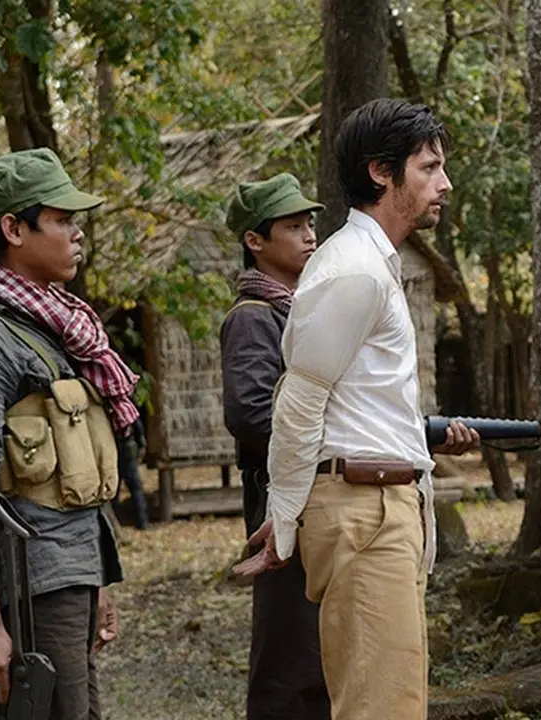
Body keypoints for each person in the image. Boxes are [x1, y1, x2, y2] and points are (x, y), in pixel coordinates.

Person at [233, 99, 479, 719]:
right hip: (363, 511)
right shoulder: (354, 271)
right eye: (429, 167)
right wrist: (284, 515)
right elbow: (300, 398)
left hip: (381, 506)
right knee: (379, 708)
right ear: (381, 173)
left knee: (393, 700)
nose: (444, 184)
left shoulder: (369, 265)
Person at [0, 148, 130, 718]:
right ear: (14, 229)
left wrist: (97, 582)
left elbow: (75, 474)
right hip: (31, 585)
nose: (78, 233)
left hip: (68, 574)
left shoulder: (48, 330)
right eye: (62, 219)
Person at [219, 173, 329, 719]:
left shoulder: (298, 310)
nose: (309, 235)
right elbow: (251, 413)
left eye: (309, 223)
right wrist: (330, 441)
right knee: (289, 654)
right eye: (292, 226)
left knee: (319, 648)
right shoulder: (253, 318)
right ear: (255, 241)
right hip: (279, 495)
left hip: (313, 494)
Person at [112, 411, 150, 531]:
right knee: (134, 488)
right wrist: (141, 444)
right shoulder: (127, 408)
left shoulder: (111, 409)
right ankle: (141, 521)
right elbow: (138, 427)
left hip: (118, 451)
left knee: (117, 489)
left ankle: (138, 521)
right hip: (124, 451)